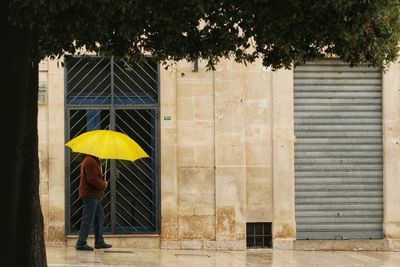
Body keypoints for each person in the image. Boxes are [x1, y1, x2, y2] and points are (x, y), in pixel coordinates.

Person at [76, 154, 112, 251]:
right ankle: (81, 242)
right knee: (88, 219)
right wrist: (103, 184)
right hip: (90, 195)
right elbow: (92, 179)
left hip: (94, 195)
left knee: (99, 217)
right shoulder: (90, 161)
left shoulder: (92, 160)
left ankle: (99, 241)